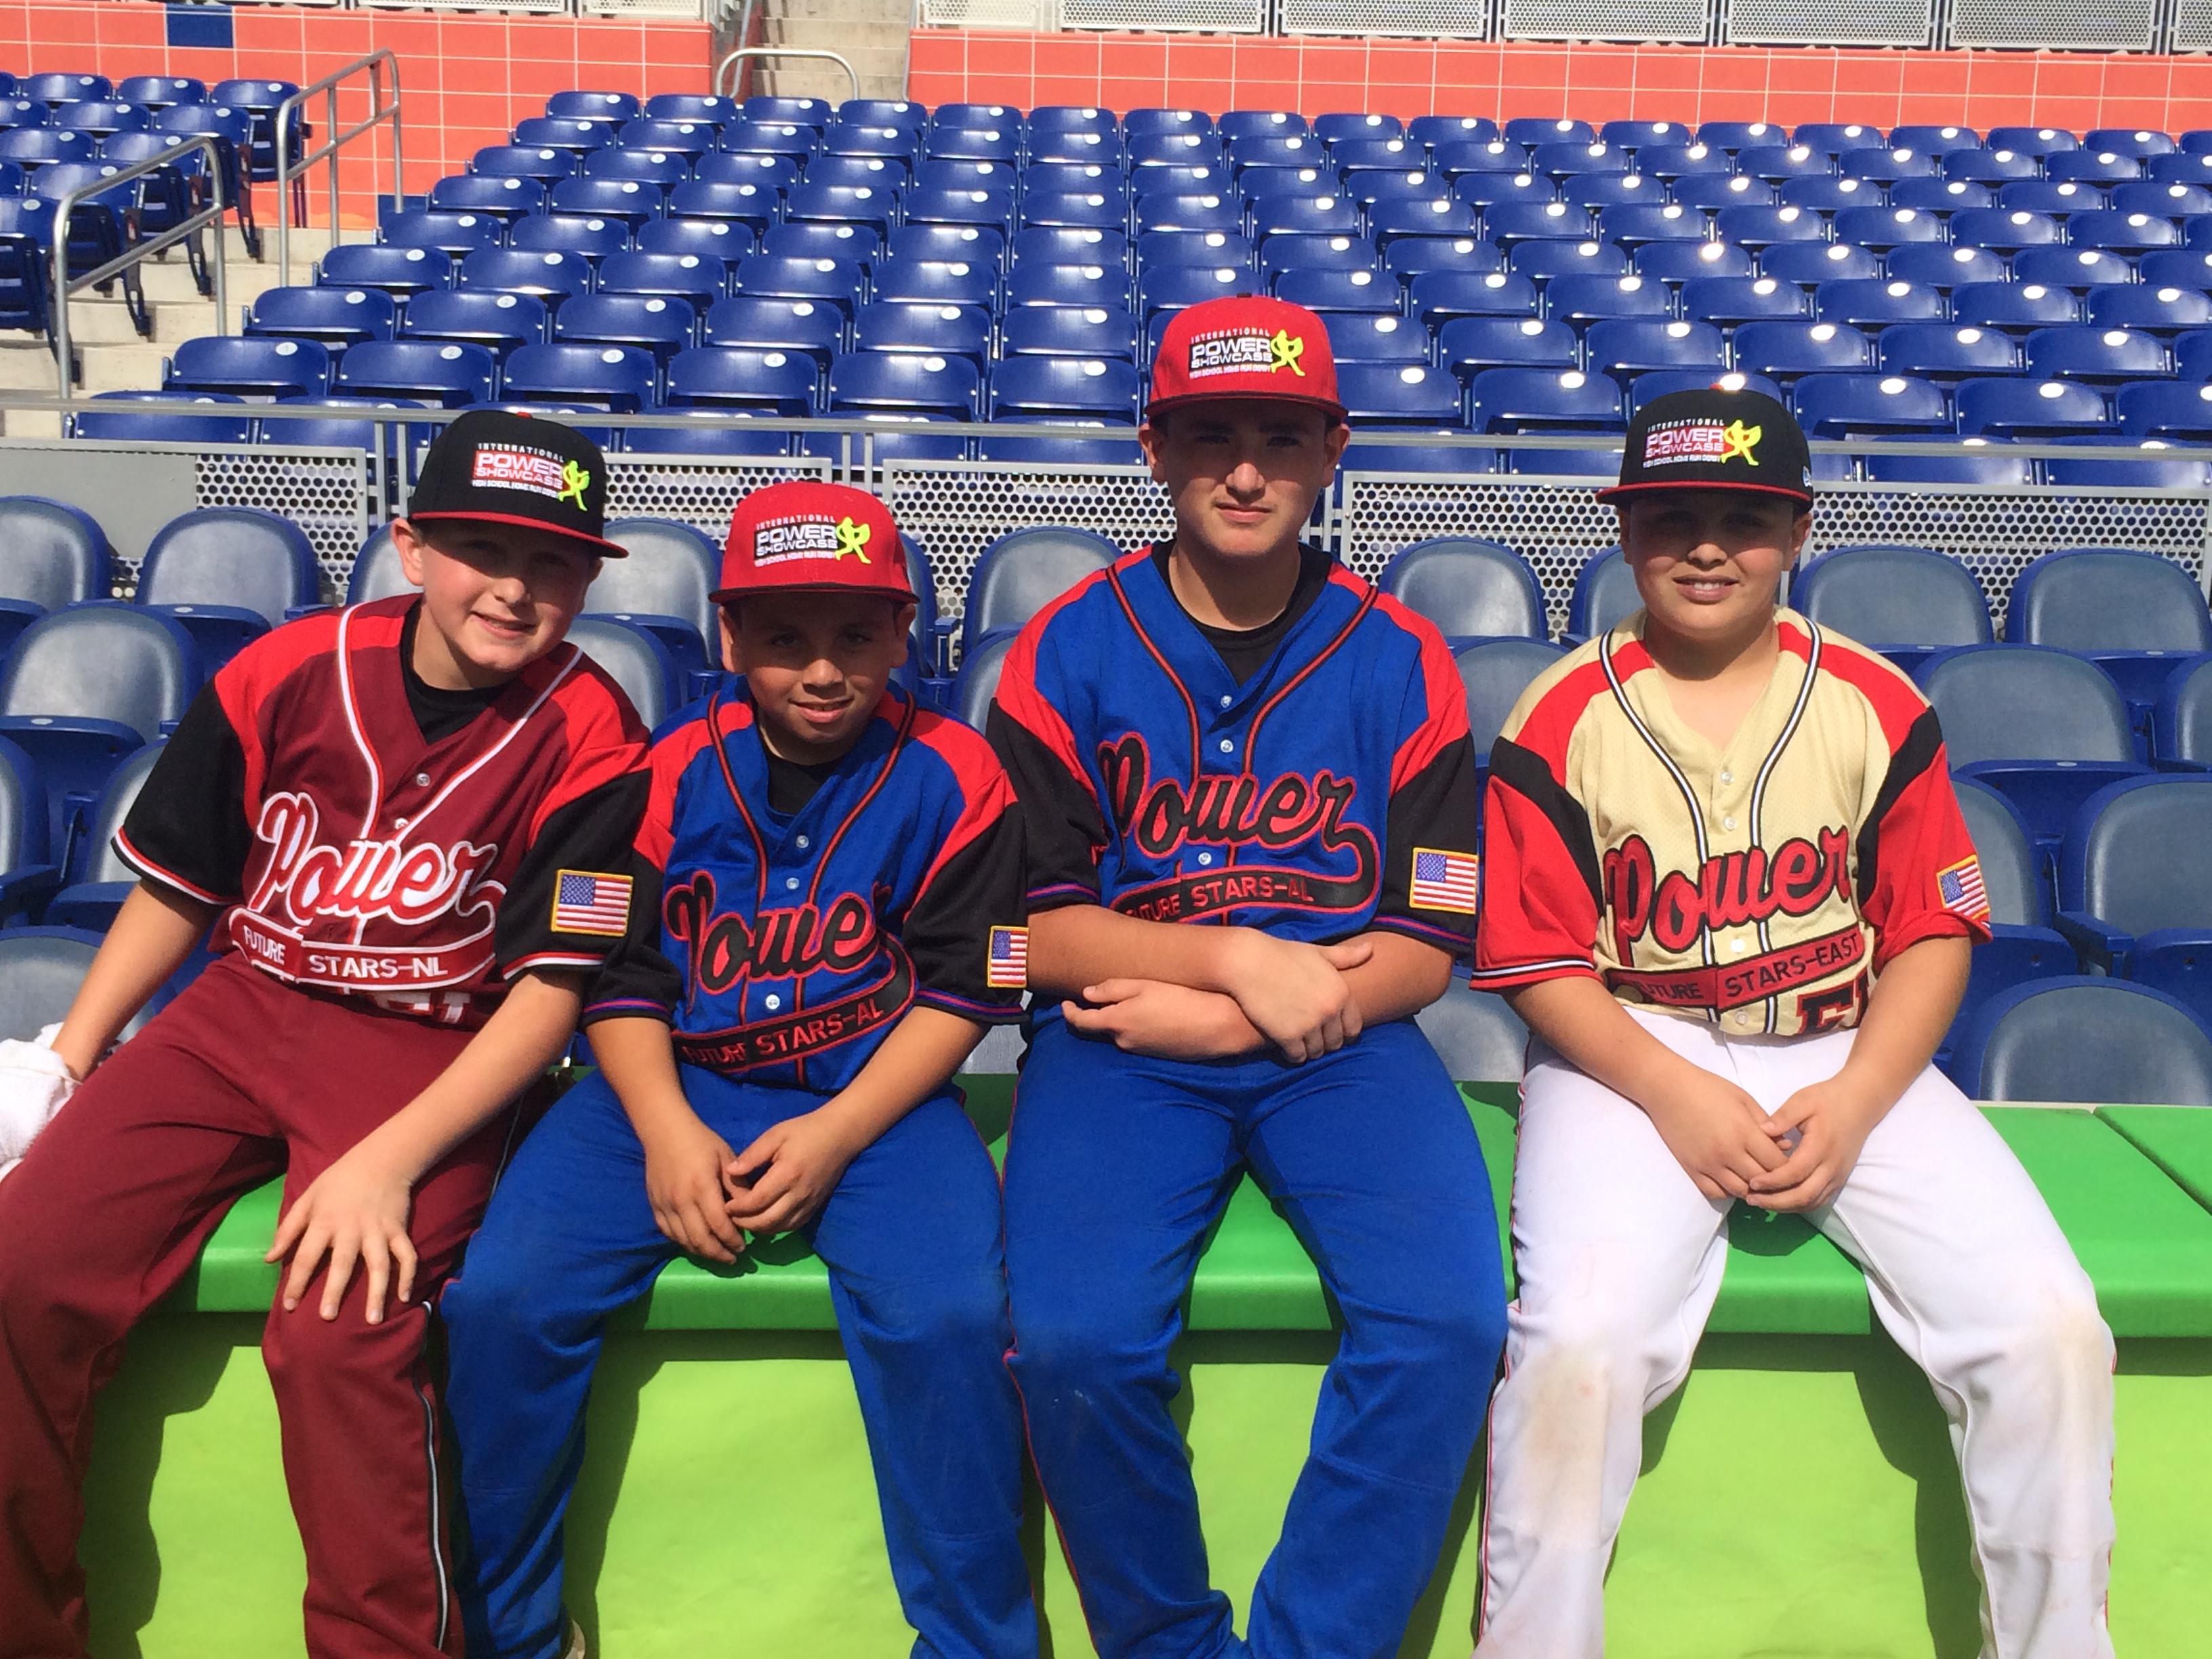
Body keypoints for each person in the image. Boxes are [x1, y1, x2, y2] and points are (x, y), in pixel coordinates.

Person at [1471, 388, 2114, 1658]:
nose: (1708, 546)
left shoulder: (1874, 700)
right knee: (1581, 1342)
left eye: (1745, 518)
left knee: (2049, 1325)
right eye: (1673, 518)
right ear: (1625, 530)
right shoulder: (1559, 715)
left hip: (1846, 1043)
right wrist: (1674, 1093)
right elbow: (1538, 962)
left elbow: (1931, 933)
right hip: (1628, 1049)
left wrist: (1863, 1099)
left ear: (1799, 529)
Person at [0, 409, 651, 1659]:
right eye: (482, 549)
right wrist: (69, 1053)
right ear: (412, 545)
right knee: (20, 1269)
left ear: (589, 579)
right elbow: (180, 886)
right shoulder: (287, 666)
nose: (514, 588)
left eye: (554, 563)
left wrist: (388, 1163)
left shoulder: (596, 734)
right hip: (240, 1014)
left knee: (341, 1334)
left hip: (440, 1044)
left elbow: (551, 995)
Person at [985, 293, 1506, 1659]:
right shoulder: (1065, 651)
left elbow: (1428, 942)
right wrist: (1227, 965)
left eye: (1281, 438)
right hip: (1117, 1036)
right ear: (1154, 449)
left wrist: (1245, 1023)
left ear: (1332, 451)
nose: (1245, 471)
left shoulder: (1403, 659)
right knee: (1078, 1343)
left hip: (1342, 1036)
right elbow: (1024, 932)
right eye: (1210, 436)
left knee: (1448, 1322)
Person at [441, 480, 1036, 1659]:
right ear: (728, 636)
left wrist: (839, 1133)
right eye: (784, 636)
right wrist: (666, 1130)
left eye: (855, 634)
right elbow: (613, 977)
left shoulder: (962, 771)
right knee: (505, 1301)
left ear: (905, 635)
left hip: (880, 1097)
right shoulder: (657, 768)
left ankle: (977, 1643)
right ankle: (511, 1633)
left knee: (951, 1317)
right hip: (662, 1082)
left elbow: (969, 990)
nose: (821, 668)